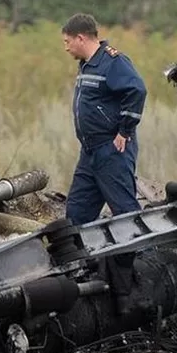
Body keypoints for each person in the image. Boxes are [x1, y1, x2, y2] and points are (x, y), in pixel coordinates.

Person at [62, 13, 147, 225]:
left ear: (81, 38)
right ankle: (79, 258)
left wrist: (124, 131)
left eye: (67, 41)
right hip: (89, 151)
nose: (66, 47)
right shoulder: (86, 64)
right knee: (76, 213)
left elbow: (137, 90)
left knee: (125, 213)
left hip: (111, 150)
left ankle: (142, 256)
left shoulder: (112, 61)